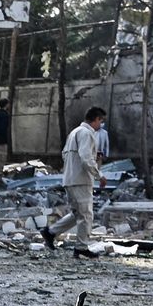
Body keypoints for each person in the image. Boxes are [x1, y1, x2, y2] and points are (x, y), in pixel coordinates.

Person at [41, 106, 105, 249]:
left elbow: (66, 154)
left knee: (77, 214)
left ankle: (50, 232)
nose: (101, 125)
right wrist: (99, 175)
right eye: (101, 121)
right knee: (86, 215)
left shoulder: (74, 132)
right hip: (81, 181)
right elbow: (85, 158)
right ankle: (81, 248)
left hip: (70, 179)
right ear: (95, 119)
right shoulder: (87, 133)